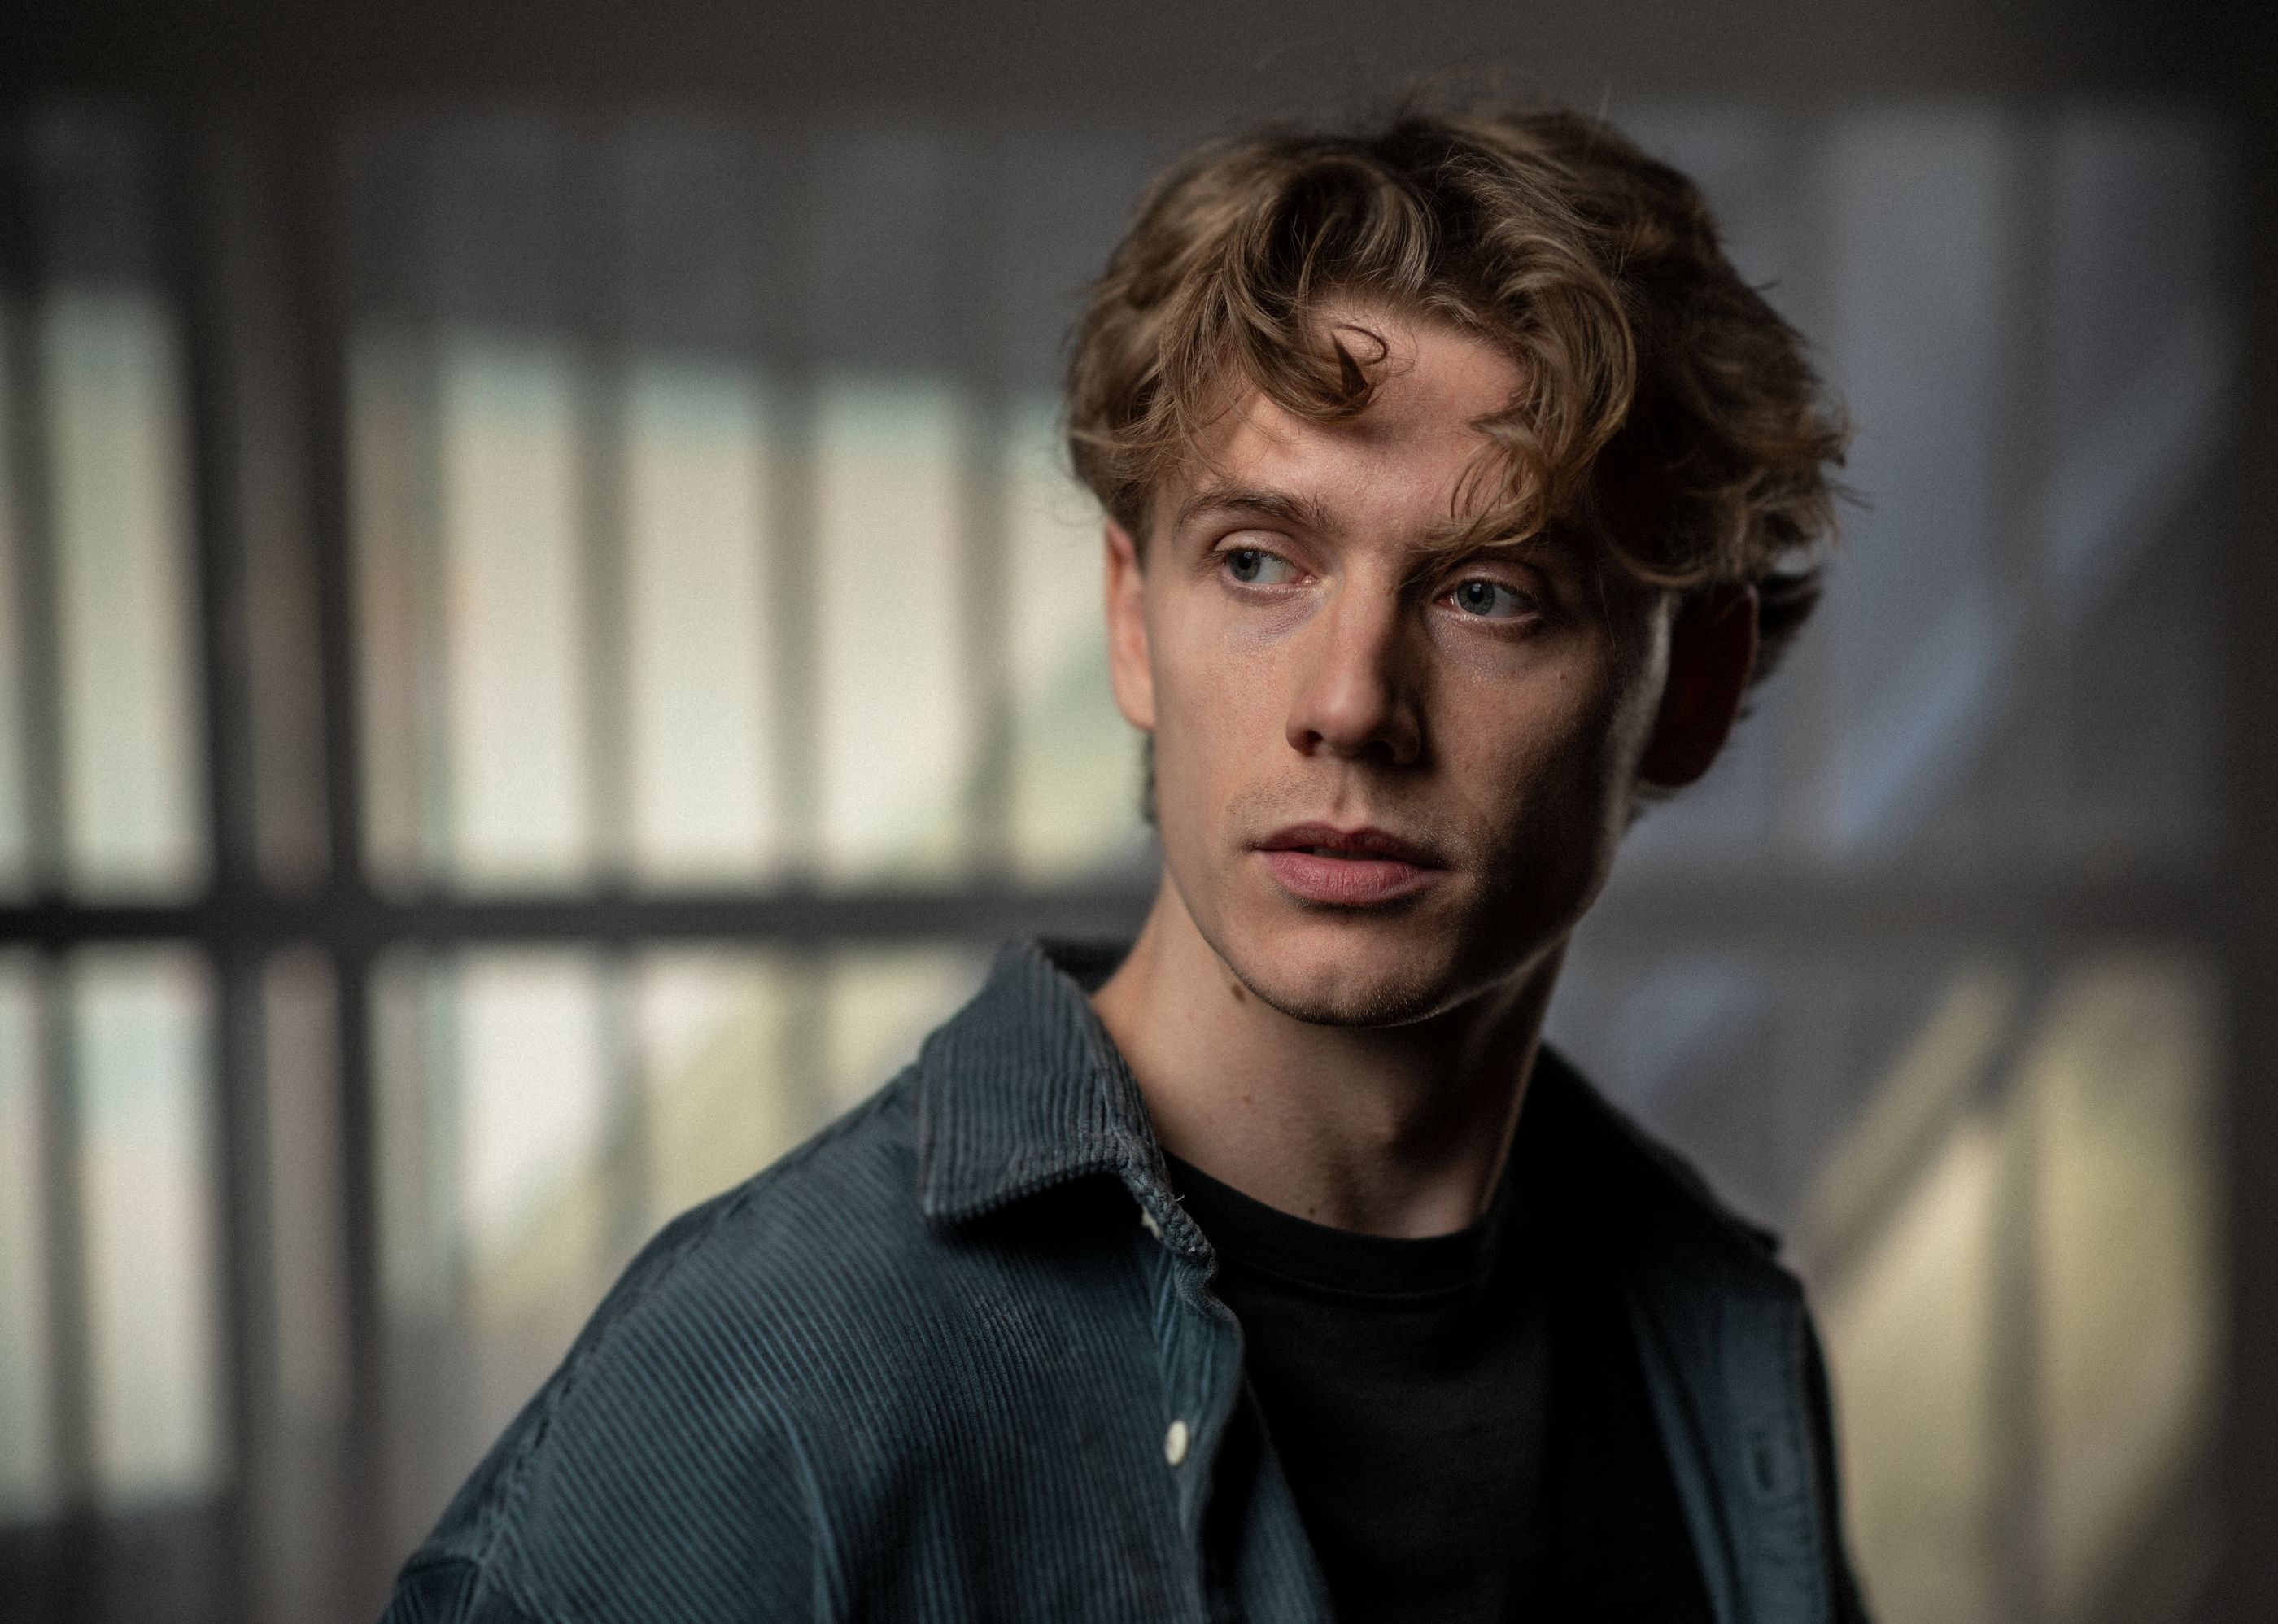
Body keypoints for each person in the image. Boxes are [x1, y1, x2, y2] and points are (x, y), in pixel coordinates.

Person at [384, 100, 1866, 1624]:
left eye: (1490, 590)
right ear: (1131, 618)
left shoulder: (1716, 1340)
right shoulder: (766, 1391)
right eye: (1258, 562)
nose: (1350, 702)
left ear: (1689, 688)